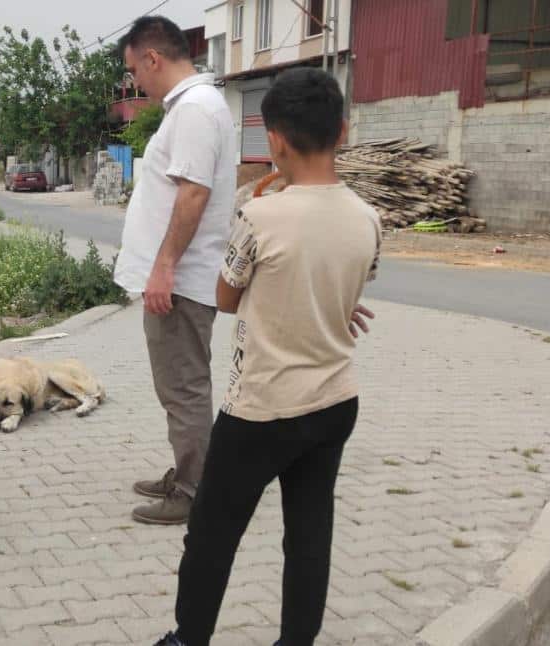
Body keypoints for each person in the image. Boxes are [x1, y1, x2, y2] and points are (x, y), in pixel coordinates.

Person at [155, 67, 382, 646]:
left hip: (261, 408)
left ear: (275, 140)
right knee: (308, 534)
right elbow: (345, 288)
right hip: (334, 403)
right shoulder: (368, 217)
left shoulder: (259, 215)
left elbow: (227, 298)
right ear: (343, 130)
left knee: (211, 532)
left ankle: (187, 639)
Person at [113, 15, 237, 525]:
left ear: (153, 59)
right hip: (178, 278)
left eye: (133, 71)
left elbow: (193, 193)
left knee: (183, 386)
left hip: (180, 282)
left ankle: (194, 491)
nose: (134, 83)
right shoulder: (193, 107)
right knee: (180, 385)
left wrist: (163, 270)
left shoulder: (196, 110)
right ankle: (191, 472)